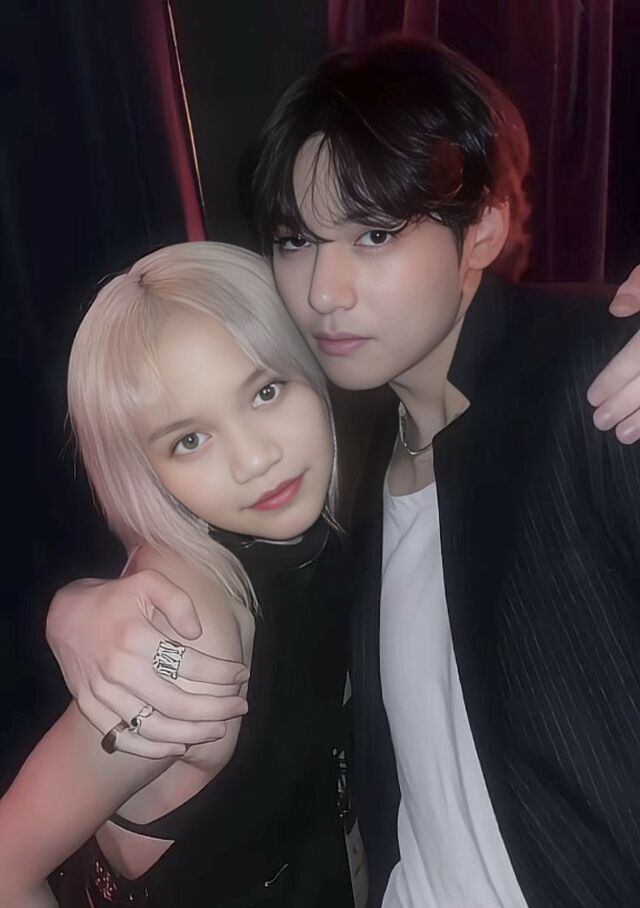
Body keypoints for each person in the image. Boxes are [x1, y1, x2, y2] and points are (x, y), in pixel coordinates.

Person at [45, 34, 640, 907]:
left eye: (374, 233)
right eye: (296, 241)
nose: (325, 291)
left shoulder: (599, 377)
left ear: (482, 228)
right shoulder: (340, 450)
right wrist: (76, 610)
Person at [0, 242, 354, 907]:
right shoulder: (189, 633)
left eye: (266, 391)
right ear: (145, 473)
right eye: (190, 440)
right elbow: (6, 864)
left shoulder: (316, 535)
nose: (255, 459)